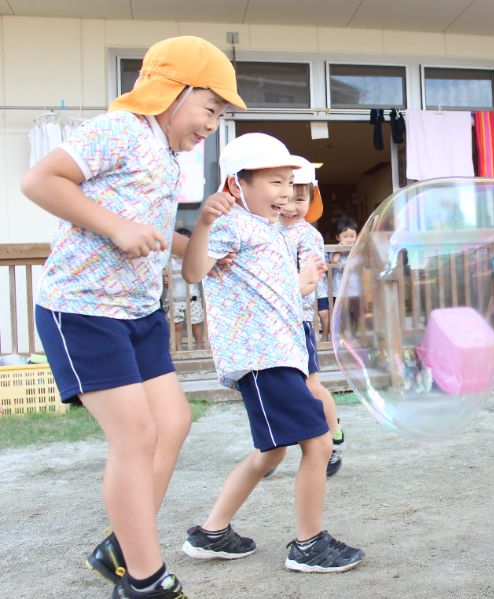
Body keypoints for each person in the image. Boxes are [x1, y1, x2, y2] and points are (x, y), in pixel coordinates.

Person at [20, 36, 244, 599]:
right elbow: (40, 181)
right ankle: (143, 580)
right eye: (210, 109)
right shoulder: (118, 128)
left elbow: (138, 221)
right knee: (137, 435)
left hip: (139, 311)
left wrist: (191, 248)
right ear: (176, 90)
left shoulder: (167, 157)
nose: (211, 126)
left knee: (173, 424)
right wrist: (115, 228)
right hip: (83, 309)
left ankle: (121, 546)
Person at [179, 133, 364, 572]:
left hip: (282, 354)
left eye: (289, 183)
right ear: (236, 184)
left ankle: (213, 533)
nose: (285, 193)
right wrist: (203, 222)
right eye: (275, 182)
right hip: (261, 358)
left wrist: (304, 282)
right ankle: (309, 545)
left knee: (271, 452)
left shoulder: (271, 230)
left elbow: (273, 292)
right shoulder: (228, 225)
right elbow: (193, 272)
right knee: (318, 442)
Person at [271, 160, 345, 477]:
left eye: (301, 200)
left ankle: (332, 436)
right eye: (287, 198)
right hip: (272, 321)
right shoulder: (267, 229)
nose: (292, 207)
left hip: (297, 321)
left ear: (312, 201)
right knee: (278, 388)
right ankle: (269, 452)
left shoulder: (308, 235)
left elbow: (310, 281)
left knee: (311, 385)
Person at [163, 227, 206, 351]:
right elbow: (166, 281)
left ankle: (199, 346)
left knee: (196, 323)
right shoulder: (169, 261)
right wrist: (166, 282)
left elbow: (199, 274)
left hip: (192, 298)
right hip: (175, 299)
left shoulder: (193, 260)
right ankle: (179, 348)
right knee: (177, 325)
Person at [328, 217, 362, 331]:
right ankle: (342, 332)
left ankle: (354, 332)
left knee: (355, 312)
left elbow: (361, 263)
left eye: (352, 236)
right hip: (339, 288)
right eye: (345, 236)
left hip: (354, 288)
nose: (349, 239)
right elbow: (334, 260)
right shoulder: (336, 249)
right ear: (338, 237)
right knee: (340, 312)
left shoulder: (358, 249)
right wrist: (339, 248)